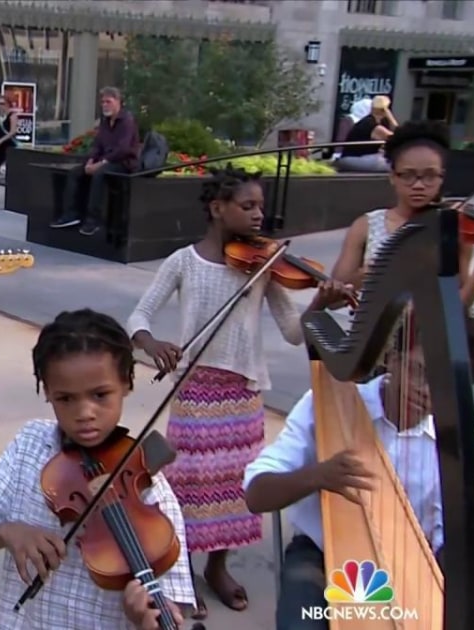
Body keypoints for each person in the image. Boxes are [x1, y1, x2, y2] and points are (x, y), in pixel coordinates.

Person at [126, 166, 350, 617]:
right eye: (247, 206)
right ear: (217, 209)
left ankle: (218, 567)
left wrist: (320, 305)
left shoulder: (265, 263)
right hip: (196, 391)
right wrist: (152, 343)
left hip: (243, 392)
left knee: (233, 488)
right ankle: (182, 568)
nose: (258, 215)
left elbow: (293, 331)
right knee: (188, 486)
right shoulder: (183, 261)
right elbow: (139, 317)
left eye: (260, 207)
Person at [243, 313, 474, 630]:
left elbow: (458, 539)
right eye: (418, 372)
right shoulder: (324, 404)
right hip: (320, 556)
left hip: (418, 565)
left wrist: (441, 597)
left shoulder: (466, 439)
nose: (427, 391)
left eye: (445, 384)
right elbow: (256, 495)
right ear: (392, 359)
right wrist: (317, 476)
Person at [0, 309, 195, 629]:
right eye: (65, 398)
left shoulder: (149, 487)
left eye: (100, 395)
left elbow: (174, 600)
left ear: (126, 383)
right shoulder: (30, 445)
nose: (84, 413)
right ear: (47, 393)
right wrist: (6, 531)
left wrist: (144, 616)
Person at [331, 120, 474, 309]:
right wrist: (367, 275)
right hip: (372, 335)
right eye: (408, 175)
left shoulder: (453, 228)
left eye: (429, 176)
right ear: (393, 177)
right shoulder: (366, 226)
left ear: (441, 177)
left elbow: (459, 308)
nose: (419, 185)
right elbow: (334, 301)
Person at [49, 87, 140, 237]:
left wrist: (101, 163)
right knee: (76, 173)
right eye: (103, 102)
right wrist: (91, 161)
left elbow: (122, 150)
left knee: (99, 174)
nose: (104, 105)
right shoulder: (105, 122)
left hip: (123, 163)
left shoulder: (127, 121)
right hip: (104, 160)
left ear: (118, 102)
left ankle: (94, 220)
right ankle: (72, 213)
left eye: (108, 102)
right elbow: (98, 144)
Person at [334, 94, 397, 173]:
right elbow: (397, 137)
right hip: (353, 159)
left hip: (359, 158)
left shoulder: (374, 121)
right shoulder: (371, 124)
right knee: (394, 164)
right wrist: (391, 118)